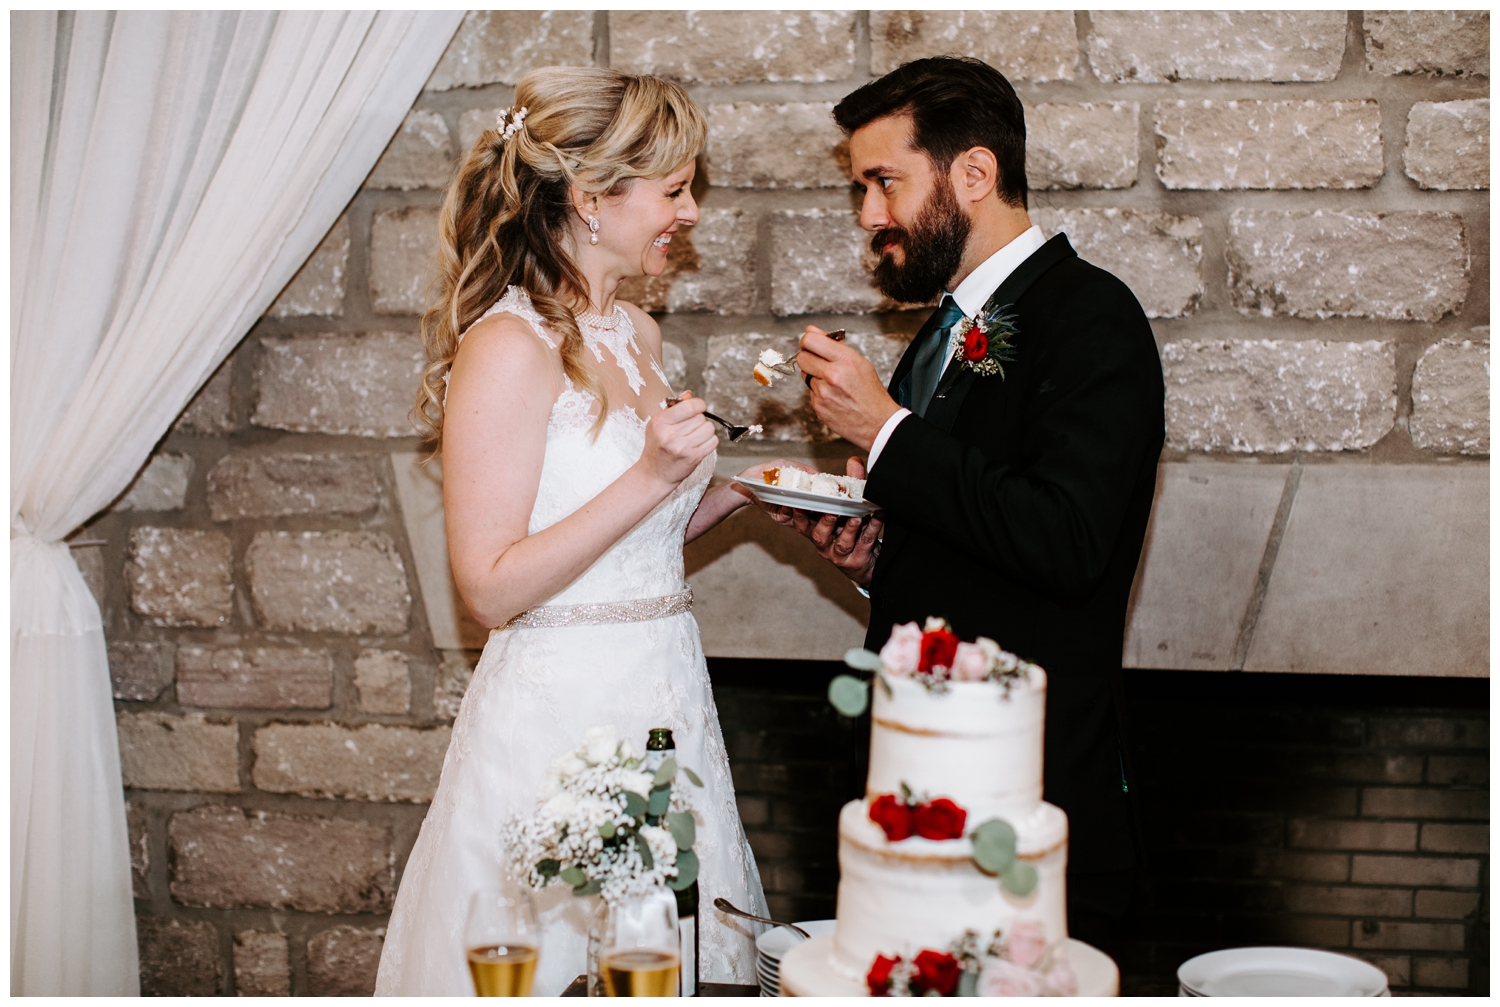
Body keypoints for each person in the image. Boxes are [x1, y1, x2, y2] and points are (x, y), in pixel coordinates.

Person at [375, 67, 770, 996]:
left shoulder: (638, 332)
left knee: (674, 954)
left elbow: (629, 547)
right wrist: (651, 475)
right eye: (675, 190)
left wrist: (738, 496)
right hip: (560, 720)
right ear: (593, 198)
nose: (691, 212)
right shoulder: (507, 346)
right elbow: (491, 583)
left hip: (665, 693)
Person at [765, 56, 1165, 952]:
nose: (870, 215)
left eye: (884, 182)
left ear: (974, 173)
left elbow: (1068, 539)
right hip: (921, 797)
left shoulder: (1094, 317)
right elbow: (980, 533)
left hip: (1029, 810)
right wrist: (878, 562)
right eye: (863, 189)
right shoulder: (938, 337)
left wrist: (886, 430)